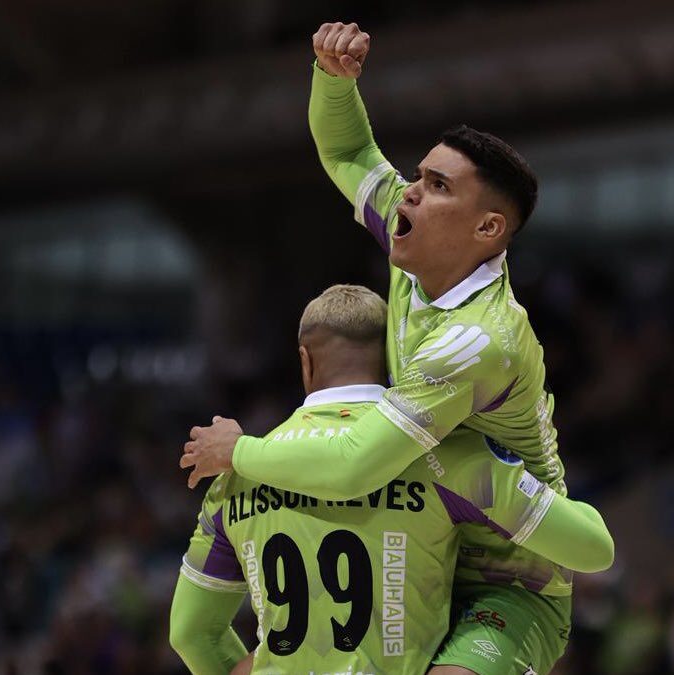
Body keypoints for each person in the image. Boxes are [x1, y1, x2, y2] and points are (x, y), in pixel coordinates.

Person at [182, 21, 589, 672]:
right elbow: (347, 154)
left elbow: (352, 469)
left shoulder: (478, 340)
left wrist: (242, 450)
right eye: (420, 175)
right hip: (424, 538)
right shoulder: (417, 251)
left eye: (437, 186)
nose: (411, 191)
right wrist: (333, 81)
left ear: (487, 228)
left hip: (504, 576)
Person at [170, 285, 613, 674]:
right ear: (394, 361)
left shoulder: (233, 474)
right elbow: (592, 549)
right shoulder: (445, 457)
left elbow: (191, 635)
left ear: (305, 363)